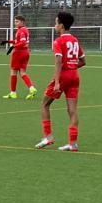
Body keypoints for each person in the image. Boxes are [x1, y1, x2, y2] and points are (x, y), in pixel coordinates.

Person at [35, 11, 86, 152]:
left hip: (63, 76)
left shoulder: (58, 41)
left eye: (56, 23)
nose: (55, 25)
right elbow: (83, 61)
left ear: (61, 25)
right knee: (72, 110)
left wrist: (57, 81)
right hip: (75, 76)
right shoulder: (75, 40)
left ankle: (48, 137)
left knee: (44, 105)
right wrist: (71, 66)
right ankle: (73, 143)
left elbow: (58, 60)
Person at [1, 15, 38, 100]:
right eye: (15, 21)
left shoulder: (21, 30)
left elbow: (22, 42)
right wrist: (8, 41)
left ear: (22, 22)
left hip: (19, 53)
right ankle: (31, 88)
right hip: (26, 52)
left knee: (13, 72)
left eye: (17, 21)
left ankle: (13, 93)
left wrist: (13, 47)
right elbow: (18, 41)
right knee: (22, 72)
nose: (15, 23)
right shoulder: (25, 30)